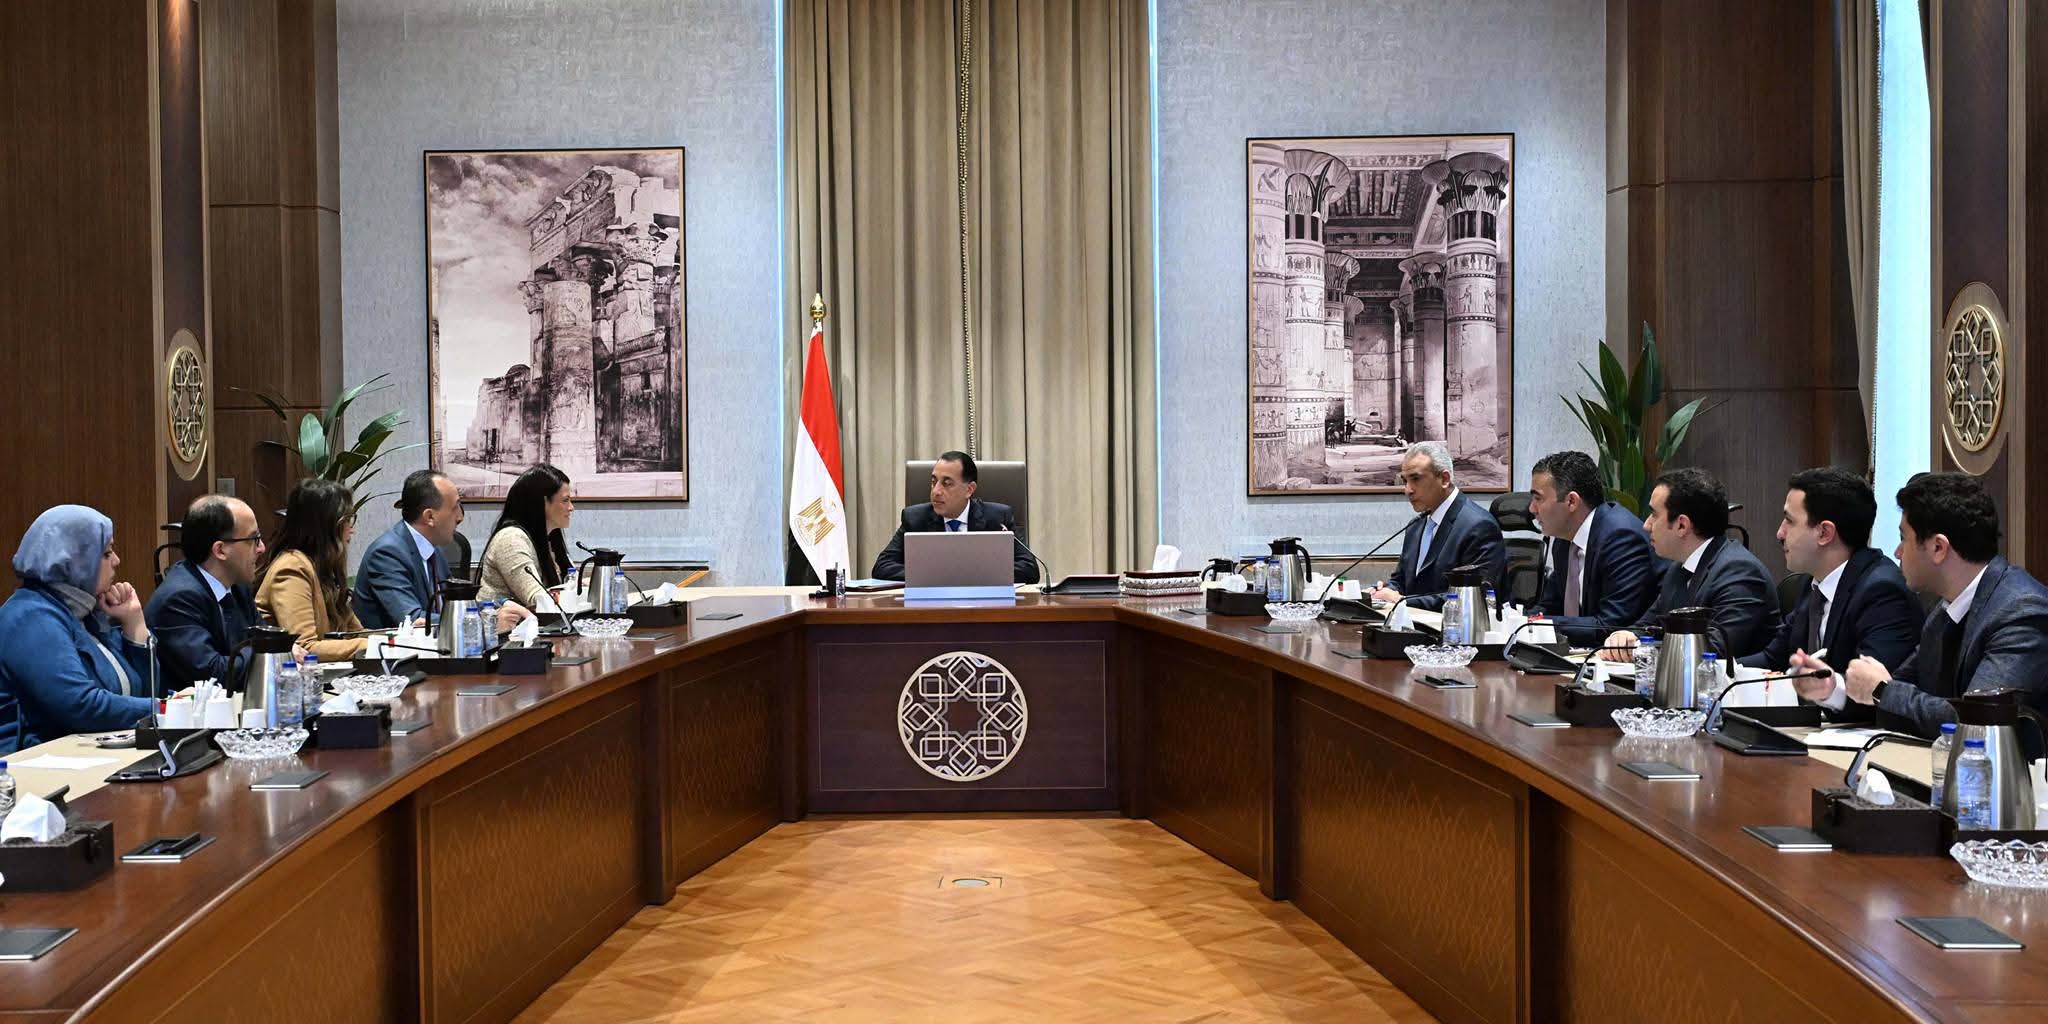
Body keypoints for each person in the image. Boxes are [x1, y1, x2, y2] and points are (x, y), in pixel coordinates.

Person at [1792, 472, 2048, 738]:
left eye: (1903, 538)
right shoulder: (1944, 613)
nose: (1897, 552)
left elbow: (1976, 724)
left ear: (1938, 547)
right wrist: (1832, 688)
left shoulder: (2022, 613)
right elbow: (1897, 693)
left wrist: (1881, 690)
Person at [1738, 469, 1922, 719]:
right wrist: (1713, 670)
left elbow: (1872, 693)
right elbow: (1774, 658)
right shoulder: (1815, 583)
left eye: (1789, 521)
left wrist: (1828, 690)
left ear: (1824, 533)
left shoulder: (1882, 592)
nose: (1780, 533)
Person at [0, 506, 158, 754]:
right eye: (106, 553)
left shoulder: (87, 612)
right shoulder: (30, 616)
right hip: (34, 764)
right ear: (73, 560)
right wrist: (166, 708)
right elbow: (81, 706)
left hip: (92, 756)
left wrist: (134, 623)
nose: (117, 561)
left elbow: (144, 692)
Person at [1599, 467, 1778, 661]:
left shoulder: (1739, 572)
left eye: (1654, 514)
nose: (1646, 525)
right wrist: (1627, 636)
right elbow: (1648, 626)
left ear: (1682, 525)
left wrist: (1642, 651)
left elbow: (1712, 651)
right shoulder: (1678, 569)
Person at [1528, 450, 1656, 647]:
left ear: (1571, 501)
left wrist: (1538, 624)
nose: (1531, 509)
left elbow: (1610, 625)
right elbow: (1550, 605)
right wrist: (1520, 621)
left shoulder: (1621, 538)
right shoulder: (1564, 539)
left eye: (1538, 499)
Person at [144, 495, 264, 692]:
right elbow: (216, 675)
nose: (261, 548)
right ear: (220, 550)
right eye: (254, 539)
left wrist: (271, 648)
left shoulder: (237, 587)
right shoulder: (178, 599)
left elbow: (264, 638)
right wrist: (273, 651)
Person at [1369, 441, 1506, 610]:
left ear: (1444, 479)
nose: (1407, 490)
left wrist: (1401, 600)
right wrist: (1383, 592)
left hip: (1454, 626)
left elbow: (1475, 597)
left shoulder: (1478, 526)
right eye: (1405, 481)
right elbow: (1401, 581)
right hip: (1413, 624)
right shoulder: (1416, 526)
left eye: (1416, 479)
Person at [871, 450, 1039, 584]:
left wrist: (968, 575)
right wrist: (937, 575)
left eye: (947, 483)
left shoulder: (997, 518)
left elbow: (1029, 569)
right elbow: (882, 567)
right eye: (933, 482)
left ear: (969, 490)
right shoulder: (915, 518)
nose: (936, 491)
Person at [258, 479, 370, 663]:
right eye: (347, 520)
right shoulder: (291, 568)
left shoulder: (322, 567)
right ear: (327, 526)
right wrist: (371, 645)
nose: (352, 530)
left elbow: (356, 633)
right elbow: (305, 646)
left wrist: (403, 640)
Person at [352, 469, 463, 629]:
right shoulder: (387, 554)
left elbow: (452, 605)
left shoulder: (434, 550)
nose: (460, 517)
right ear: (429, 517)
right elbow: (413, 619)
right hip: (391, 645)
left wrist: (490, 610)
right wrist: (471, 619)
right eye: (454, 508)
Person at [478, 464, 575, 612]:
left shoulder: (549, 538)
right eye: (565, 500)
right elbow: (538, 600)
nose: (571, 507)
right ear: (543, 502)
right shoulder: (510, 540)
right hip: (500, 626)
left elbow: (567, 581)